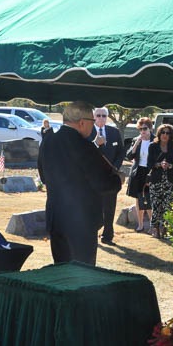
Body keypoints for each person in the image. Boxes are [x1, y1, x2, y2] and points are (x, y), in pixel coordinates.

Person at [37, 101, 122, 265]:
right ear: (82, 122)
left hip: (57, 219)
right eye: (92, 121)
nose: (94, 125)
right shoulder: (85, 146)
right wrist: (118, 179)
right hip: (81, 221)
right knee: (83, 272)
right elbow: (102, 184)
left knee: (61, 269)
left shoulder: (48, 141)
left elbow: (44, 177)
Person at [91, 106, 126, 245]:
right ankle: (91, 234)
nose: (101, 118)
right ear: (93, 117)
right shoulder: (87, 132)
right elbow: (83, 151)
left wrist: (115, 167)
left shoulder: (114, 132)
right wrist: (95, 143)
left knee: (109, 208)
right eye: (98, 115)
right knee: (93, 207)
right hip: (92, 177)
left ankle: (108, 236)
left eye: (104, 116)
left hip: (110, 177)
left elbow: (121, 152)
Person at [147, 123, 173, 239]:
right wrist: (159, 164)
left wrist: (169, 165)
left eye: (167, 133)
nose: (165, 135)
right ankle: (155, 229)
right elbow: (149, 164)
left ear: (171, 135)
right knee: (156, 205)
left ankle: (165, 229)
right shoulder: (153, 146)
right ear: (159, 134)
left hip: (169, 181)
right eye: (163, 132)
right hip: (156, 180)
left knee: (168, 206)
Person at [125, 117, 154, 232]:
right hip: (138, 172)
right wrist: (136, 143)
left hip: (150, 172)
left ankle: (153, 226)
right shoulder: (136, 140)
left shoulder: (155, 140)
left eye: (145, 128)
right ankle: (140, 225)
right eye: (140, 129)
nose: (142, 131)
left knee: (148, 198)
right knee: (138, 199)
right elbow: (129, 156)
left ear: (150, 128)